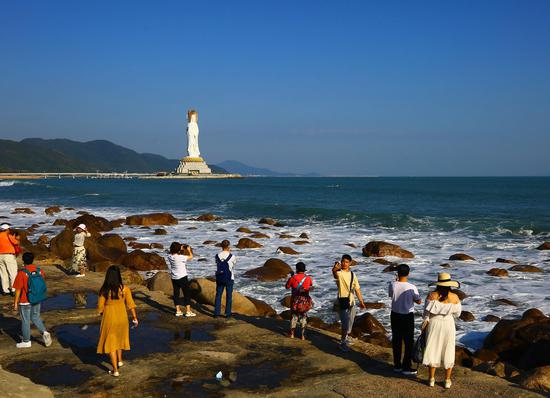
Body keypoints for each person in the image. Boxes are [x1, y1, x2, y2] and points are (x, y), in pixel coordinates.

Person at [422, 272, 462, 389]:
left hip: (434, 323)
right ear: (450, 284)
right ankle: (447, 380)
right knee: (448, 349)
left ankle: (431, 379)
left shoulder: (431, 295)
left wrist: (423, 326)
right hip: (448, 324)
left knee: (432, 349)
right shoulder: (454, 297)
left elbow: (426, 314)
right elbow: (458, 314)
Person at [97, 265, 138, 377]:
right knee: (119, 338)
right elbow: (131, 305)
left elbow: (100, 308)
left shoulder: (104, 290)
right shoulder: (125, 289)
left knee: (111, 344)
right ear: (118, 276)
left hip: (109, 317)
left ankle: (115, 370)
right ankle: (120, 360)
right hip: (122, 317)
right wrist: (135, 318)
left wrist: (103, 313)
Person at [12, 252, 52, 348]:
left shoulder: (22, 273)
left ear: (23, 261)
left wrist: (15, 303)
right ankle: (44, 332)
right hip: (37, 298)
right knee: (35, 317)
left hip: (25, 301)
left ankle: (26, 341)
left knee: (25, 321)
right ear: (33, 260)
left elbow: (18, 290)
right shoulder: (39, 271)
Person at [388, 264, 422, 375]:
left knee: (396, 340)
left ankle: (397, 365)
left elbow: (391, 295)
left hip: (395, 315)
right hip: (407, 316)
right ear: (408, 273)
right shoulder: (412, 287)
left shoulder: (392, 284)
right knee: (408, 341)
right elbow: (419, 301)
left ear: (397, 273)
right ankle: (406, 367)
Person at [332, 254, 366, 351]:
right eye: (343, 261)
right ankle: (342, 343)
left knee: (350, 323)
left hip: (352, 302)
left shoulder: (352, 274)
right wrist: (334, 269)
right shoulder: (339, 273)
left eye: (346, 262)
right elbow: (334, 274)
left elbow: (357, 290)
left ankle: (345, 338)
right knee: (345, 324)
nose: (344, 263)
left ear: (350, 263)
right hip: (342, 301)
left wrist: (361, 302)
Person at [285, 262, 313, 340]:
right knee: (304, 316)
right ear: (304, 270)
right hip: (305, 301)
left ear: (297, 269)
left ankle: (292, 334)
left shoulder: (293, 278)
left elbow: (287, 287)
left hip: (295, 300)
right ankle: (303, 335)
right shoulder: (308, 278)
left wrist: (291, 277)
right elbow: (310, 285)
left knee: (294, 316)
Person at [167, 242, 196, 317]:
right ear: (178, 250)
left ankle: (178, 311)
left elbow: (175, 253)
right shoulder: (181, 257)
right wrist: (189, 250)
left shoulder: (169, 256)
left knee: (176, 294)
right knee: (186, 294)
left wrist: (180, 248)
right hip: (182, 277)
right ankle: (188, 311)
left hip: (174, 277)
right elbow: (191, 257)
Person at [214, 240, 236, 318]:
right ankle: (227, 313)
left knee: (218, 295)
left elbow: (217, 264)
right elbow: (233, 265)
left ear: (221, 246)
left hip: (219, 277)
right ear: (228, 246)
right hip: (229, 278)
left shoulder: (217, 256)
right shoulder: (232, 256)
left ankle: (216, 313)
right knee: (229, 296)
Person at [0, 223, 20, 296]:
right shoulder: (8, 236)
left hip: (0, 256)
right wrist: (16, 238)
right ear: (7, 229)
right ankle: (13, 289)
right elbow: (16, 243)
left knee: (3, 273)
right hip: (8, 255)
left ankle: (5, 290)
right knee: (13, 273)